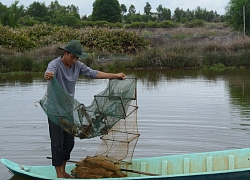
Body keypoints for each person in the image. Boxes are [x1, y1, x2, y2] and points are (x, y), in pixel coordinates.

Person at [44, 39, 126, 178]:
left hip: (69, 111)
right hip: (55, 111)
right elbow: (49, 72)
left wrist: (115, 75)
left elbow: (94, 73)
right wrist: (48, 75)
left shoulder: (77, 66)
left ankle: (63, 171)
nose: (75, 60)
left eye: (77, 58)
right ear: (65, 53)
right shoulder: (55, 64)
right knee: (57, 143)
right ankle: (59, 175)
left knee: (69, 143)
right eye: (72, 57)